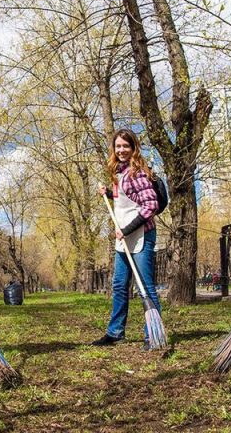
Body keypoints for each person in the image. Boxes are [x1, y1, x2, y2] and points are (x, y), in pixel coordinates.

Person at [91, 128, 162, 350]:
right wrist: (109, 193)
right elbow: (127, 198)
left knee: (145, 287)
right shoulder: (120, 172)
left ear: (133, 148)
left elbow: (151, 205)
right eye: (118, 146)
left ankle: (153, 335)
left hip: (141, 235)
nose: (121, 150)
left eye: (125, 146)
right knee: (120, 285)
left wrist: (127, 229)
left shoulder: (137, 172)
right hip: (124, 237)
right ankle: (115, 332)